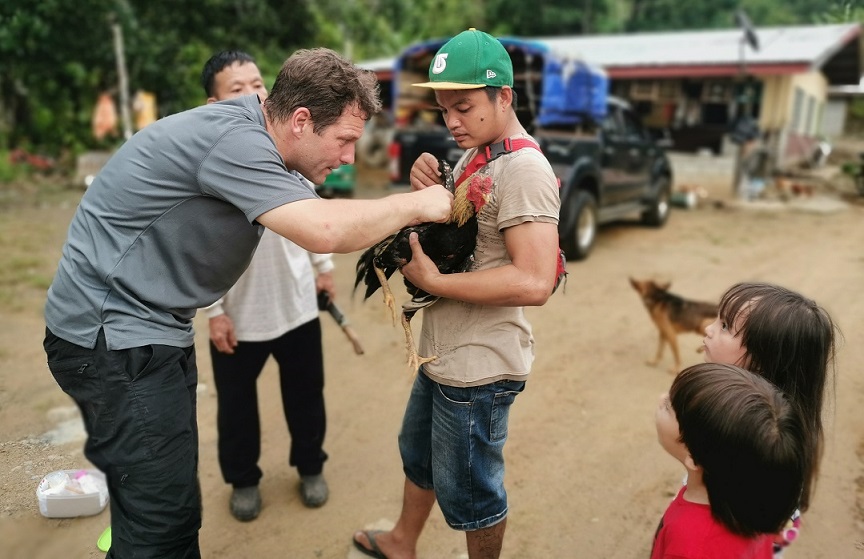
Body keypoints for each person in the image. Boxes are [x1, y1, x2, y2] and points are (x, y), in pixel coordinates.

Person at [43, 47, 453, 558]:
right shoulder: (238, 142)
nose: (350, 157)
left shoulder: (256, 130)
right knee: (163, 523)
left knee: (154, 496)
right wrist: (419, 203)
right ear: (301, 120)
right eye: (345, 141)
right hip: (114, 341)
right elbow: (322, 230)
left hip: (145, 331)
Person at [352, 29, 561, 559]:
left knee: (474, 495)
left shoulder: (525, 169)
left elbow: (535, 280)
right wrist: (436, 181)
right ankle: (402, 541)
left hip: (480, 368)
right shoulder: (478, 154)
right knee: (418, 456)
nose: (451, 121)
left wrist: (435, 283)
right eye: (444, 108)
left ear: (505, 97)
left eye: (463, 107)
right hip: (443, 353)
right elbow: (471, 236)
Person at [201, 50, 334, 520]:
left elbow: (315, 210)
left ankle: (310, 466)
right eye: (237, 88)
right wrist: (214, 314)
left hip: (296, 305)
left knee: (305, 395)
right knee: (236, 409)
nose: (254, 93)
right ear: (214, 103)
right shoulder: (211, 165)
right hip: (239, 315)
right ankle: (243, 480)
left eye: (258, 82)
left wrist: (323, 269)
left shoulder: (288, 149)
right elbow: (199, 250)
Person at [702, 282, 838, 555]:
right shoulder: (783, 414)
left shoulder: (754, 432)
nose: (708, 328)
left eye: (726, 326)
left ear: (763, 360)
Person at [651, 363, 808, 559]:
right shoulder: (756, 504)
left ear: (693, 456)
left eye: (669, 407)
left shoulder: (689, 547)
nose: (661, 398)